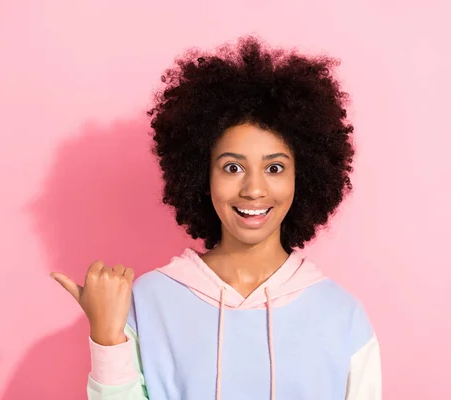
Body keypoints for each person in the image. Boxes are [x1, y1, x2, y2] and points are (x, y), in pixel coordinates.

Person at [51, 36, 382, 399]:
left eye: (274, 167)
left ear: (302, 177)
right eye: (232, 167)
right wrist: (106, 338)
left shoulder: (342, 315)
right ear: (201, 175)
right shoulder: (146, 302)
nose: (254, 189)